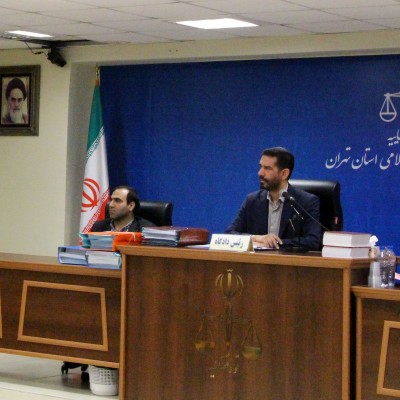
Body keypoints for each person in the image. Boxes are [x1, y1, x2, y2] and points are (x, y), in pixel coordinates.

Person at [225, 147, 322, 250]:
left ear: (284, 174)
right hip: (257, 260)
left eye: (267, 168)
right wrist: (256, 238)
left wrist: (273, 243)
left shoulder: (306, 202)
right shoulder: (252, 201)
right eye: (260, 167)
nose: (260, 173)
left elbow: (313, 241)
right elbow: (229, 234)